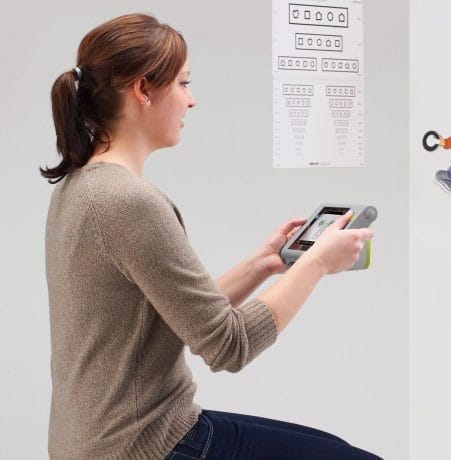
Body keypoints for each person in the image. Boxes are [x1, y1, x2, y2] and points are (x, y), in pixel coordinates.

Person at [42, 13, 380, 459]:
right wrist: (317, 263)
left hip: (91, 442)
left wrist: (265, 263)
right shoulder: (129, 202)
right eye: (183, 83)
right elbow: (229, 346)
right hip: (142, 446)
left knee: (335, 449)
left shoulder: (80, 187)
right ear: (144, 90)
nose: (191, 100)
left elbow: (177, 319)